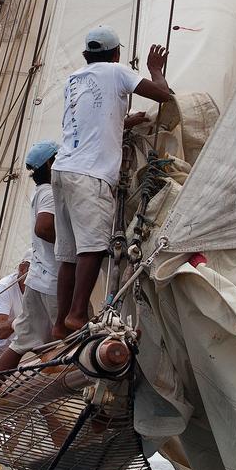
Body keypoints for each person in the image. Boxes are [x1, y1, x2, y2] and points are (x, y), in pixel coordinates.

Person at [53, 28, 172, 335]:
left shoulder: (73, 80)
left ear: (86, 55)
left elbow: (92, 121)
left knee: (68, 254)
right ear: (116, 54)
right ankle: (78, 315)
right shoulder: (117, 71)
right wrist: (155, 70)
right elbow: (163, 95)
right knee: (91, 248)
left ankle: (59, 324)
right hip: (91, 175)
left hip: (62, 170)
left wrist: (125, 121)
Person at [0, 142, 60, 411]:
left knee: (20, 342)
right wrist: (70, 245)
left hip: (37, 280)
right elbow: (45, 229)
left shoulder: (39, 192)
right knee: (69, 336)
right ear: (51, 165)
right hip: (54, 281)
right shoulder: (51, 193)